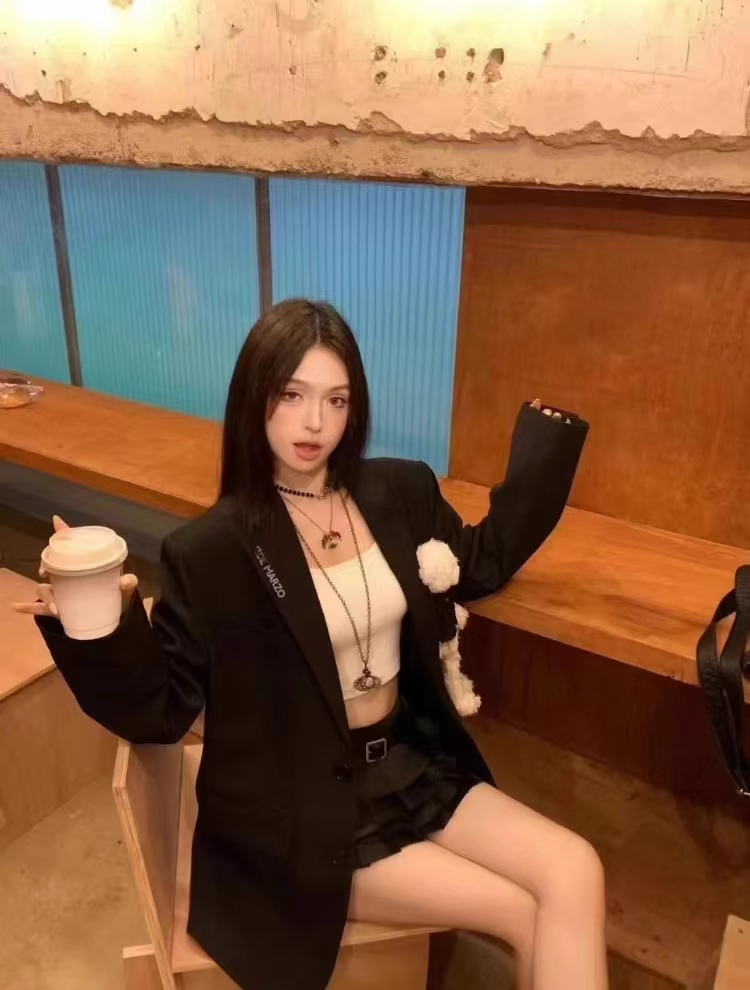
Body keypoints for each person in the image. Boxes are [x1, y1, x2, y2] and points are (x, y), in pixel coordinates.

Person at [14, 298, 607, 990]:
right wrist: (95, 619)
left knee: (577, 868)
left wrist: (546, 442)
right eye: (291, 395)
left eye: (336, 399)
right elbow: (162, 710)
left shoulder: (399, 491)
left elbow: (476, 563)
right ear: (254, 398)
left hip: (410, 763)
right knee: (519, 909)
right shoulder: (214, 548)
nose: (315, 422)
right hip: (300, 812)